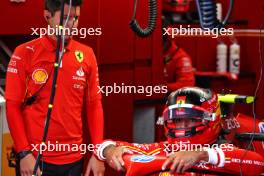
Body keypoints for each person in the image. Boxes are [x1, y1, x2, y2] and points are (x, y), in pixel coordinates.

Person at [5, 0, 105, 175]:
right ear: (47, 16)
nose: (72, 25)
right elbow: (12, 106)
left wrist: (97, 153)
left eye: (76, 18)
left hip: (74, 160)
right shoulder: (24, 53)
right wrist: (24, 152)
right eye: (66, 18)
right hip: (35, 160)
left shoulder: (87, 54)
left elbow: (94, 106)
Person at [95, 87, 264, 175]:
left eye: (190, 119)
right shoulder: (165, 150)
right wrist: (109, 151)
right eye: (176, 120)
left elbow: (257, 163)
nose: (182, 127)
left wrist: (200, 154)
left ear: (212, 120)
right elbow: (105, 145)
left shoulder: (221, 151)